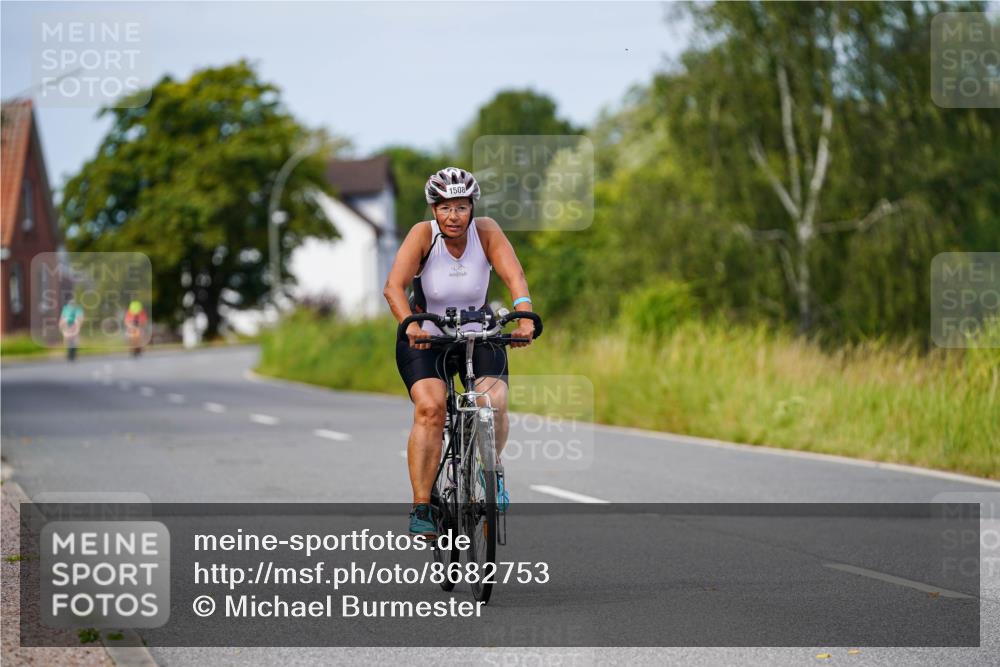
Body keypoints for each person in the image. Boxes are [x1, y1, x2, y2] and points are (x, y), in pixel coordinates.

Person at [383, 167, 536, 537]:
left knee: (493, 400)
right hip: (427, 338)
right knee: (431, 408)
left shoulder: (486, 232)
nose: (454, 216)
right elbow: (394, 288)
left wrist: (525, 317)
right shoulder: (423, 236)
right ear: (433, 209)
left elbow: (514, 276)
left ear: (472, 207)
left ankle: (492, 472)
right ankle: (422, 505)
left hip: (478, 333)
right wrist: (412, 325)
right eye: (446, 207)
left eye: (462, 207)